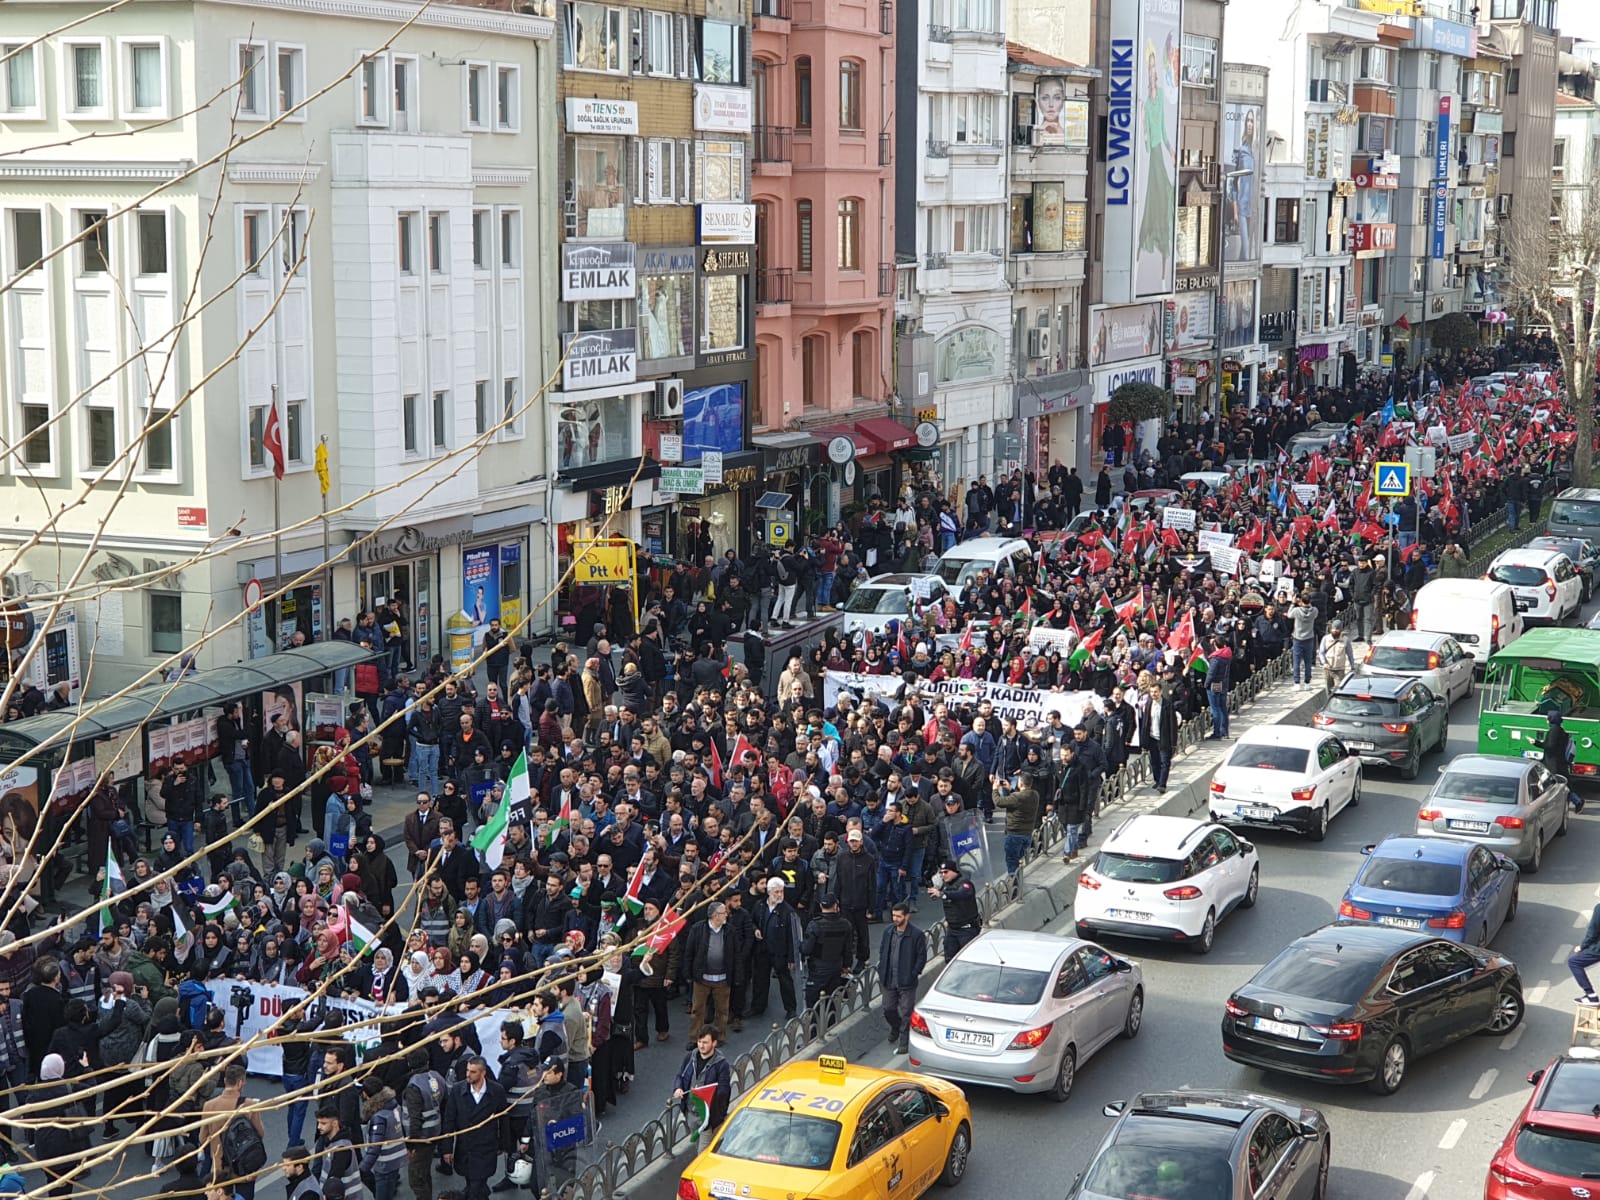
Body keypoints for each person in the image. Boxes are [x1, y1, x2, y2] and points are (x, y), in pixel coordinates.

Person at [442, 1055, 507, 1200]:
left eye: (473, 1072)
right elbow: (449, 1120)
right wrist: (446, 1148)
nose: (467, 1075)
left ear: (483, 1073)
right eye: (467, 1070)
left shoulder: (496, 1091)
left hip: (485, 1148)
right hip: (465, 1148)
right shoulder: (458, 1090)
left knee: (475, 1188)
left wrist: (503, 1143)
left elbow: (503, 1119)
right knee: (474, 1185)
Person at [749, 876, 803, 1022]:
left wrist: (792, 958)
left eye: (781, 892)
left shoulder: (788, 911)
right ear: (769, 892)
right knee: (760, 980)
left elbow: (793, 936)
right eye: (776, 892)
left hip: (780, 952)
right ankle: (758, 1006)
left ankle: (791, 1009)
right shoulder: (760, 906)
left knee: (785, 981)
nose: (779, 895)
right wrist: (755, 930)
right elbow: (752, 921)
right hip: (763, 950)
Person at [877, 902, 926, 1054]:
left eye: (898, 916)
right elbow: (883, 951)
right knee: (888, 1008)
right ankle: (895, 1028)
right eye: (893, 915)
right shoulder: (888, 932)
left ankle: (904, 1042)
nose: (895, 919)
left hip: (906, 981)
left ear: (906, 916)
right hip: (889, 978)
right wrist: (882, 969)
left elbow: (921, 957)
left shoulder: (916, 934)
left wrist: (914, 973)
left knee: (906, 1012)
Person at [672, 1027, 732, 1137]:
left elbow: (724, 1091)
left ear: (714, 1043)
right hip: (690, 1113)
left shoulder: (722, 1064)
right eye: (699, 1042)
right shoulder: (691, 1057)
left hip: (707, 1117)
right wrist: (678, 1088)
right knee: (696, 1144)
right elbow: (680, 1075)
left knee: (702, 1151)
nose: (701, 1046)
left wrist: (706, 1096)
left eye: (705, 1042)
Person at [928, 862, 980, 961]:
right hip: (952, 929)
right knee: (949, 958)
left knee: (969, 960)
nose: (943, 875)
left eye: (946, 872)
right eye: (941, 873)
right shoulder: (945, 885)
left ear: (954, 871)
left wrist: (943, 894)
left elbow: (962, 894)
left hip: (966, 929)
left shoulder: (964, 883)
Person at [1318, 618, 1356, 696]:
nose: (1335, 631)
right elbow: (1321, 653)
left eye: (1337, 629)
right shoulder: (1326, 639)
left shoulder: (1345, 640)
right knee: (1328, 690)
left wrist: (1352, 666)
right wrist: (1324, 663)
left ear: (1341, 630)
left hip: (1339, 670)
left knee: (1338, 690)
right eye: (1333, 629)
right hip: (1328, 669)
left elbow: (1350, 655)